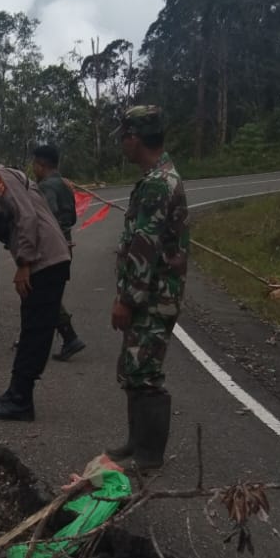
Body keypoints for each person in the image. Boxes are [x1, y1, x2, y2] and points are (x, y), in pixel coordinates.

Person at [0, 141, 71, 422]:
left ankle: (20, 400)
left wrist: (24, 263)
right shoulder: (3, 181)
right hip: (48, 259)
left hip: (44, 261)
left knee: (35, 330)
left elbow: (27, 217)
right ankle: (16, 393)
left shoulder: (2, 178)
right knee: (32, 328)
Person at [110, 106, 189, 472]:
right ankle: (136, 441)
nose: (123, 145)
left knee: (145, 372)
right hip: (153, 294)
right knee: (133, 366)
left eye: (124, 137)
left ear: (135, 138)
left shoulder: (158, 184)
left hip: (153, 297)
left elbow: (145, 247)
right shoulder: (158, 177)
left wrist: (127, 300)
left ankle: (148, 456)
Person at [30, 143, 85, 362]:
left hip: (51, 249)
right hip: (66, 245)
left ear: (41, 164)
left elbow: (46, 218)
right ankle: (37, 334)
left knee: (43, 294)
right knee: (45, 293)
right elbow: (71, 218)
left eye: (33, 163)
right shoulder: (64, 185)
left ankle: (69, 337)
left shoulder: (46, 187)